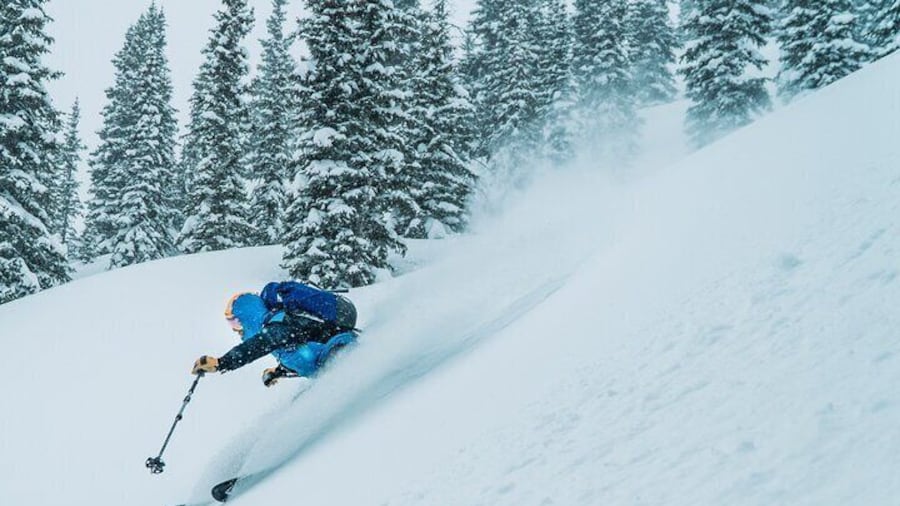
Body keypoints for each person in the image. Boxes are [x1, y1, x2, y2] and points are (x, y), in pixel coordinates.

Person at [191, 281, 359, 386]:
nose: (236, 329)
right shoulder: (278, 328)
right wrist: (279, 372)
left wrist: (222, 363)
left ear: (247, 315)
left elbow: (259, 345)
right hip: (334, 357)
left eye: (235, 322)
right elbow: (303, 351)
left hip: (340, 351)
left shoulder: (276, 324)